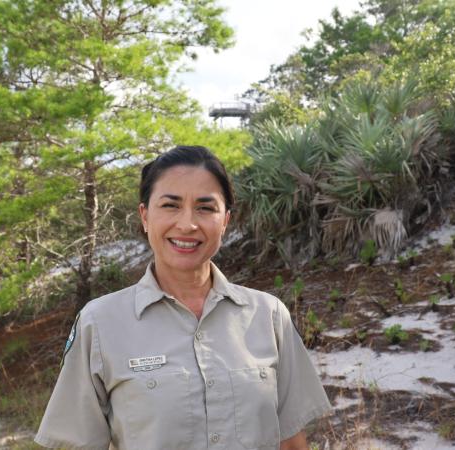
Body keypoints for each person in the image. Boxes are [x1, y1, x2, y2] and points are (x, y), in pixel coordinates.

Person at [35, 146, 330, 450]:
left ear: (225, 220)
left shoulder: (268, 316)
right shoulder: (100, 323)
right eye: (170, 205)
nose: (188, 224)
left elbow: (292, 442)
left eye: (205, 208)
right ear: (145, 215)